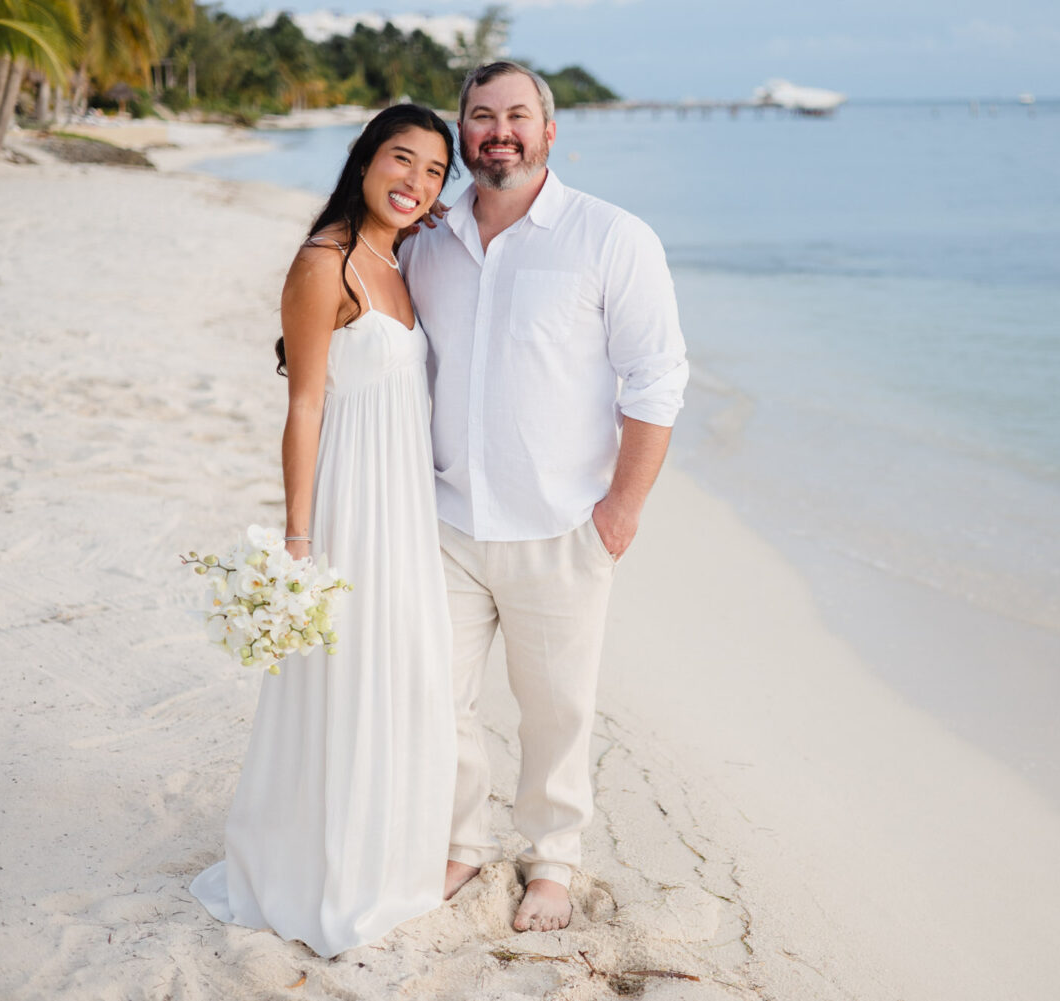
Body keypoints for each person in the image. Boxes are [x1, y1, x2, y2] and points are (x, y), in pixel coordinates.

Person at [398, 61, 688, 933]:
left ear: (550, 131)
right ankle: (459, 842)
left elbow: (658, 379)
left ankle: (552, 859)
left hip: (563, 527)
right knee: (432, 697)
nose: (500, 131)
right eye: (481, 116)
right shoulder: (427, 239)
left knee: (556, 710)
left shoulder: (611, 237)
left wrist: (621, 510)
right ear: (462, 134)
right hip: (448, 520)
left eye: (517, 115)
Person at [190, 104, 460, 958]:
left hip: (406, 505)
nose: (416, 182)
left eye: (434, 171)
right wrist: (298, 539)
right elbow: (304, 405)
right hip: (349, 500)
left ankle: (389, 852)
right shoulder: (326, 262)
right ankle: (320, 864)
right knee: (346, 676)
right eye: (402, 159)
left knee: (404, 669)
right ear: (364, 159)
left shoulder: (403, 258)